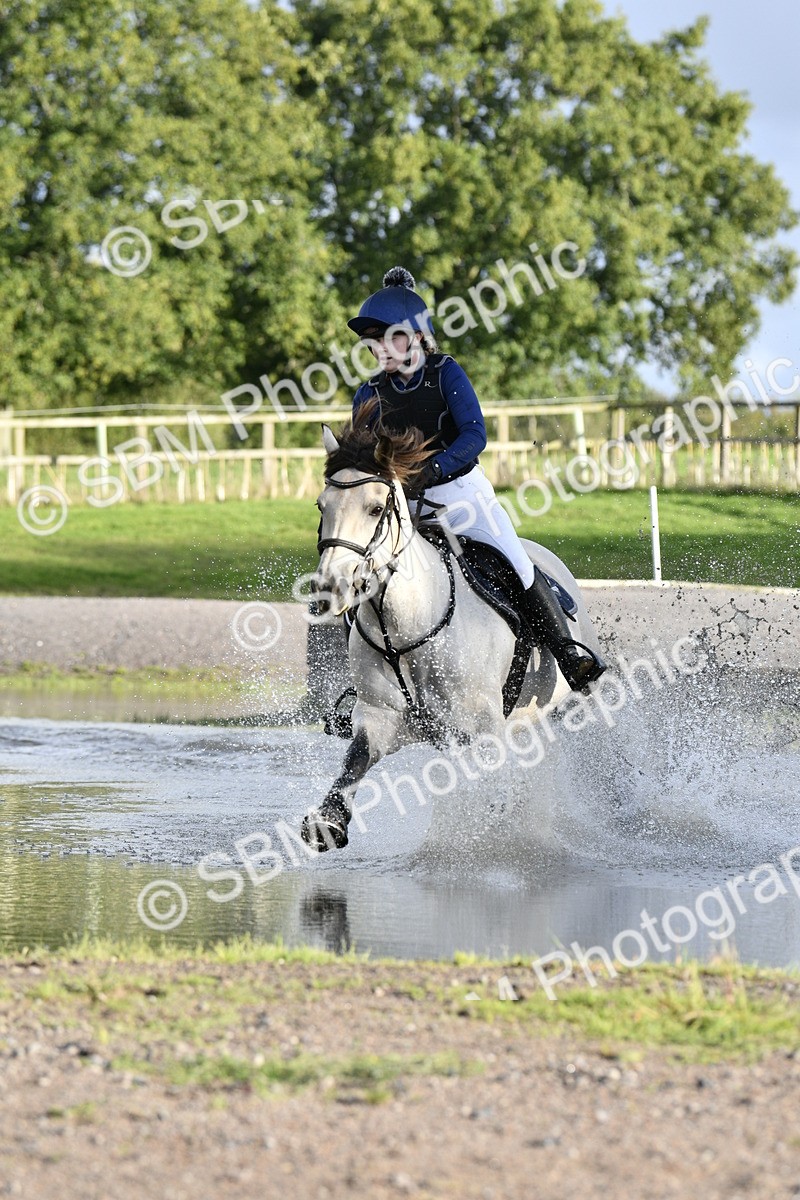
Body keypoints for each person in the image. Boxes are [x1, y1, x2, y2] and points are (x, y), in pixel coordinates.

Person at [346, 266, 606, 691]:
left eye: (390, 336)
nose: (380, 348)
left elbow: (474, 434)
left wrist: (433, 469)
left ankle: (567, 653)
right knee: (356, 574)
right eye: (373, 340)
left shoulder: (446, 372)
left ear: (415, 336)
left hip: (461, 495)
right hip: (401, 505)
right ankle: (359, 685)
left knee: (516, 561)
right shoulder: (368, 394)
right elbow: (360, 456)